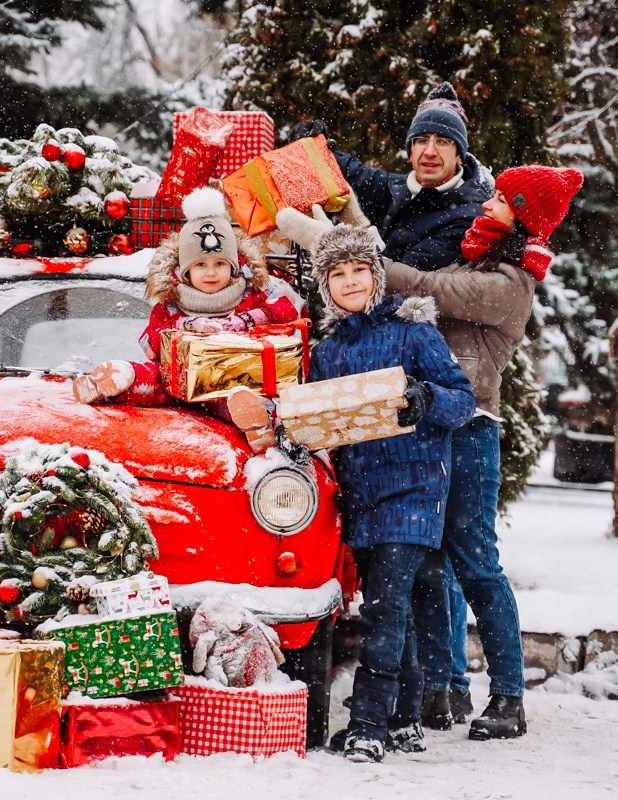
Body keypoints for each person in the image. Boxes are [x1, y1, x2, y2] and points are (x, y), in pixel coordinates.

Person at [281, 164, 584, 740]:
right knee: (426, 566)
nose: (489, 200)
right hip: (417, 430)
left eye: (503, 197)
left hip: (467, 427)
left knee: (474, 564)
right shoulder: (471, 259)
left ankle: (509, 696)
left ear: (524, 215)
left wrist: (334, 247)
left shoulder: (507, 282)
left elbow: (421, 288)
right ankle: (440, 690)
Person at [306, 223, 476, 763]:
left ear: (377, 276)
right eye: (339, 273)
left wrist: (428, 398)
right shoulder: (327, 350)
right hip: (362, 493)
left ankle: (368, 724)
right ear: (325, 284)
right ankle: (405, 718)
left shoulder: (412, 332)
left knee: (385, 606)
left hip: (415, 485)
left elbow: (462, 398)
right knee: (388, 603)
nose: (351, 280)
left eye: (360, 270)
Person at [70, 186, 300, 453]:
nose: (211, 273)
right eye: (201, 265)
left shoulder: (251, 295)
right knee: (155, 379)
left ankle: (256, 419)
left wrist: (246, 321)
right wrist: (182, 328)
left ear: (234, 266)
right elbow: (150, 340)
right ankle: (116, 380)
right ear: (185, 271)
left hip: (231, 377)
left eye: (220, 264)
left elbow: (286, 310)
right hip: (178, 379)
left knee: (232, 396)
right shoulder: (173, 303)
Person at [289, 81, 494, 272]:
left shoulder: (467, 217)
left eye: (443, 142)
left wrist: (338, 239)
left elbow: (404, 278)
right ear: (411, 152)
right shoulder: (395, 188)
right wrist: (312, 145)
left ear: (459, 155)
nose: (430, 151)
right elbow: (350, 171)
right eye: (421, 140)